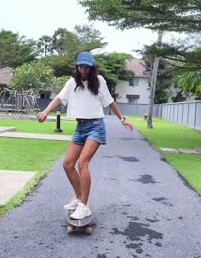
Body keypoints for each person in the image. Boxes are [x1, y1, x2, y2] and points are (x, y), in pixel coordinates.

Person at [37, 51, 134, 220]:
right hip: (80, 127)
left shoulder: (99, 81)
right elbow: (58, 98)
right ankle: (79, 197)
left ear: (91, 68)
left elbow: (110, 101)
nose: (83, 70)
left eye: (86, 67)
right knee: (67, 164)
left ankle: (84, 206)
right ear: (77, 67)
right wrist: (45, 112)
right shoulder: (71, 83)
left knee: (82, 163)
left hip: (96, 126)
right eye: (81, 67)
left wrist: (122, 119)